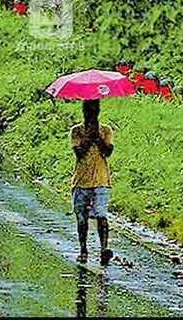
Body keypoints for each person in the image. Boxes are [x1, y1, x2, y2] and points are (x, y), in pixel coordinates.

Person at [71, 99, 115, 265]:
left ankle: (104, 249)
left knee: (101, 214)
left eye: (94, 110)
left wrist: (98, 137)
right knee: (81, 219)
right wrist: (89, 137)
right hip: (81, 181)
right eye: (88, 110)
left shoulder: (106, 130)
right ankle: (83, 249)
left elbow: (108, 151)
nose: (91, 114)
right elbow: (79, 152)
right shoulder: (76, 131)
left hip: (101, 180)